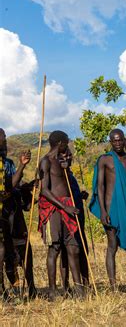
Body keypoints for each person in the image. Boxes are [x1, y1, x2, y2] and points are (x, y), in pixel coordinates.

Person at [89, 129, 126, 290]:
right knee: (112, 245)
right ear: (110, 142)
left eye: (120, 140)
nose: (118, 143)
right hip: (111, 207)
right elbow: (99, 186)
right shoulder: (104, 160)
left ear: (124, 140)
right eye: (115, 140)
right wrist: (103, 211)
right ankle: (113, 286)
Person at [38, 131, 84, 300]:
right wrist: (64, 206)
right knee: (55, 248)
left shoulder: (62, 161)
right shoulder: (46, 161)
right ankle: (52, 291)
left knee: (73, 248)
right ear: (59, 143)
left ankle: (79, 290)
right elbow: (44, 190)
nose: (67, 145)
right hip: (54, 209)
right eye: (66, 142)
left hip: (67, 207)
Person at [0, 128, 36, 299]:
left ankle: (32, 287)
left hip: (13, 213)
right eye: (3, 138)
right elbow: (8, 186)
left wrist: (28, 188)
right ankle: (3, 291)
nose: (5, 142)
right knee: (2, 252)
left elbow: (15, 185)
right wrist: (22, 165)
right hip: (2, 215)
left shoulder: (8, 163)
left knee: (24, 248)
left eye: (6, 139)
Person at [58, 148, 90, 294]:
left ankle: (85, 284)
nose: (69, 157)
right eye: (66, 155)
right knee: (70, 251)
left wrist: (80, 195)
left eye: (70, 155)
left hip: (78, 216)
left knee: (82, 250)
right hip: (66, 218)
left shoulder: (69, 173)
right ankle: (69, 287)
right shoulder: (59, 173)